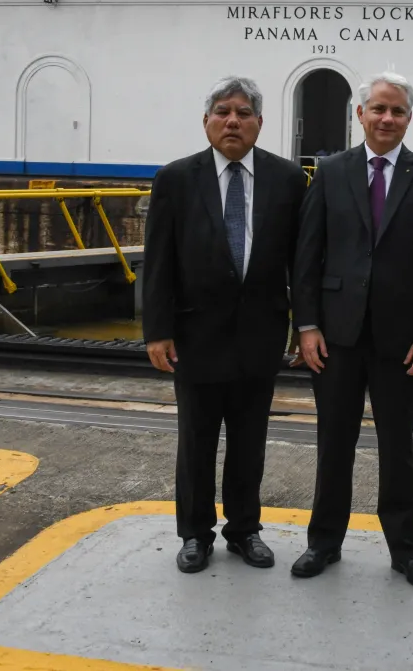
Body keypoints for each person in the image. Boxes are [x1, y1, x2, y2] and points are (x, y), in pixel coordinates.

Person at [291, 72, 413, 588]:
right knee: (333, 442)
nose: (388, 119)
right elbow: (308, 256)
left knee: (398, 446)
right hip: (336, 336)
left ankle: (406, 550)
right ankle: (323, 543)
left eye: (398, 111)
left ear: (409, 118)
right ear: (359, 115)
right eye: (379, 109)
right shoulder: (330, 171)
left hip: (401, 339)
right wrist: (307, 325)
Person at [143, 76, 307, 574]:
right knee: (195, 440)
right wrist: (157, 329)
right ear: (206, 121)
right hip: (195, 335)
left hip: (260, 333)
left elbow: (301, 262)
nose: (232, 120)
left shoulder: (288, 180)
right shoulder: (176, 179)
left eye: (243, 112)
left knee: (250, 439)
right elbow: (158, 261)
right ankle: (195, 534)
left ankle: (244, 530)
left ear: (260, 122)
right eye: (222, 111)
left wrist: (305, 325)